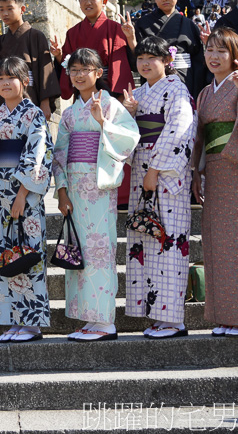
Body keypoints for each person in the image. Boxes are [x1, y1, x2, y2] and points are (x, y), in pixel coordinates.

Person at [53, 49, 139, 342]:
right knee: (80, 251)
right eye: (73, 70)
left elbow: (130, 137)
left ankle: (105, 321)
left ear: (98, 73)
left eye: (84, 70)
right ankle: (88, 318)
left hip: (99, 186)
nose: (78, 75)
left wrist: (103, 122)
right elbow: (60, 154)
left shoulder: (111, 105)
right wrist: (61, 191)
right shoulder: (69, 113)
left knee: (100, 250)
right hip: (75, 189)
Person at [120, 36, 196, 339]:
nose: (145, 63)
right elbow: (124, 135)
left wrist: (154, 170)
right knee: (146, 239)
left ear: (167, 61)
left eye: (153, 58)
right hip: (141, 169)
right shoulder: (137, 93)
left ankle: (173, 319)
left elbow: (179, 130)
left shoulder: (177, 89)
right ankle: (155, 315)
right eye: (141, 59)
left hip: (165, 174)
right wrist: (128, 114)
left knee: (168, 239)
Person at [0, 58, 54, 342]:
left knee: (27, 251)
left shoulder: (34, 115)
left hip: (25, 196)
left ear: (25, 81)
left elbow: (39, 156)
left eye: (12, 77)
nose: (5, 83)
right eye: (1, 79)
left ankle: (31, 322)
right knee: (3, 254)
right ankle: (10, 319)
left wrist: (22, 194)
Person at [191, 27, 238, 336]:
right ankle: (224, 315)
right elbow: (199, 136)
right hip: (215, 173)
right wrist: (196, 170)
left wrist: (230, 155)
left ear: (234, 55)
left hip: (235, 170)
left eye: (221, 51)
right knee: (217, 244)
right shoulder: (206, 93)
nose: (213, 56)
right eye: (209, 50)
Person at [123, 0, 207, 100]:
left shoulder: (189, 25)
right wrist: (131, 39)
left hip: (184, 80)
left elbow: (198, 62)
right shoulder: (143, 24)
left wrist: (196, 91)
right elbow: (137, 61)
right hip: (153, 81)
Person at [0, 0, 60, 119]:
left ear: (22, 9)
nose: (5, 13)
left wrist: (45, 103)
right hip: (3, 98)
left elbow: (45, 70)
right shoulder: (0, 41)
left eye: (10, 9)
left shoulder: (36, 36)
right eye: (1, 10)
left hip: (29, 95)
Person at [50, 0, 135, 100]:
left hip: (109, 89)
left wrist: (131, 38)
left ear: (104, 1)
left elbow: (122, 63)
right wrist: (58, 55)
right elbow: (67, 63)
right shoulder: (73, 32)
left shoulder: (116, 29)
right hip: (82, 88)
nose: (88, 3)